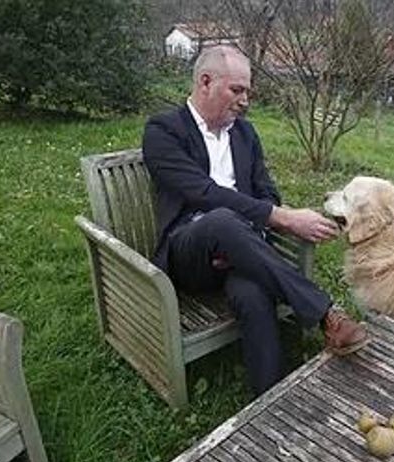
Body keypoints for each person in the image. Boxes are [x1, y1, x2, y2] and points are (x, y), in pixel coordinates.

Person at [142, 45, 370, 395]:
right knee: (221, 220)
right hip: (190, 253)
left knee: (251, 292)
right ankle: (324, 312)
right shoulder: (163, 130)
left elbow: (267, 193)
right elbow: (202, 192)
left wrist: (259, 221)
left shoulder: (245, 134)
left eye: (248, 90)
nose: (246, 100)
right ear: (205, 82)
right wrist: (280, 218)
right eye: (237, 90)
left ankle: (272, 400)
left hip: (242, 250)